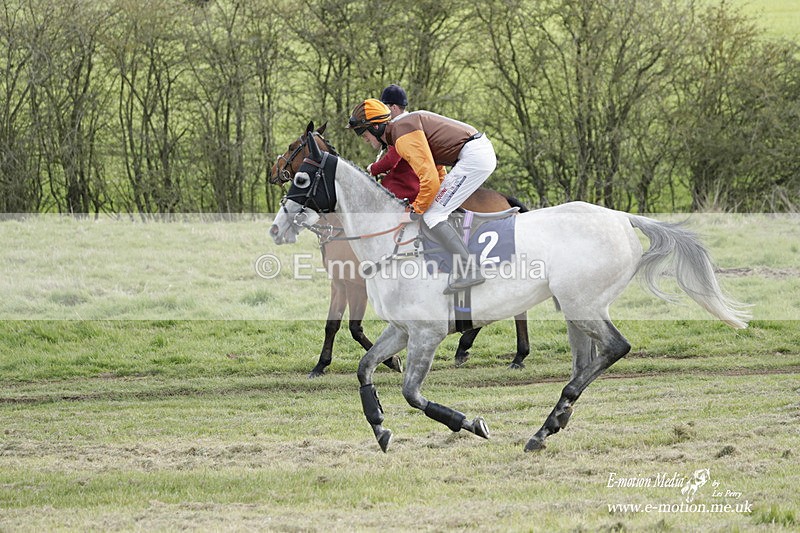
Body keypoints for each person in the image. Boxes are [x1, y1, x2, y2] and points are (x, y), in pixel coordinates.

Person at [348, 98, 497, 294]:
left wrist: (415, 210)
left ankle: (470, 270)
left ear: (376, 127)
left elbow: (428, 177)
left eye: (363, 133)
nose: (364, 139)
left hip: (474, 157)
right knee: (436, 209)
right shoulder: (401, 129)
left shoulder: (402, 134)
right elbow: (436, 166)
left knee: (432, 215)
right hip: (473, 153)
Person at [358, 85, 418, 202]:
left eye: (385, 107)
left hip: (409, 184)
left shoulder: (400, 127)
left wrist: (373, 168)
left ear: (394, 107)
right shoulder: (407, 123)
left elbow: (391, 160)